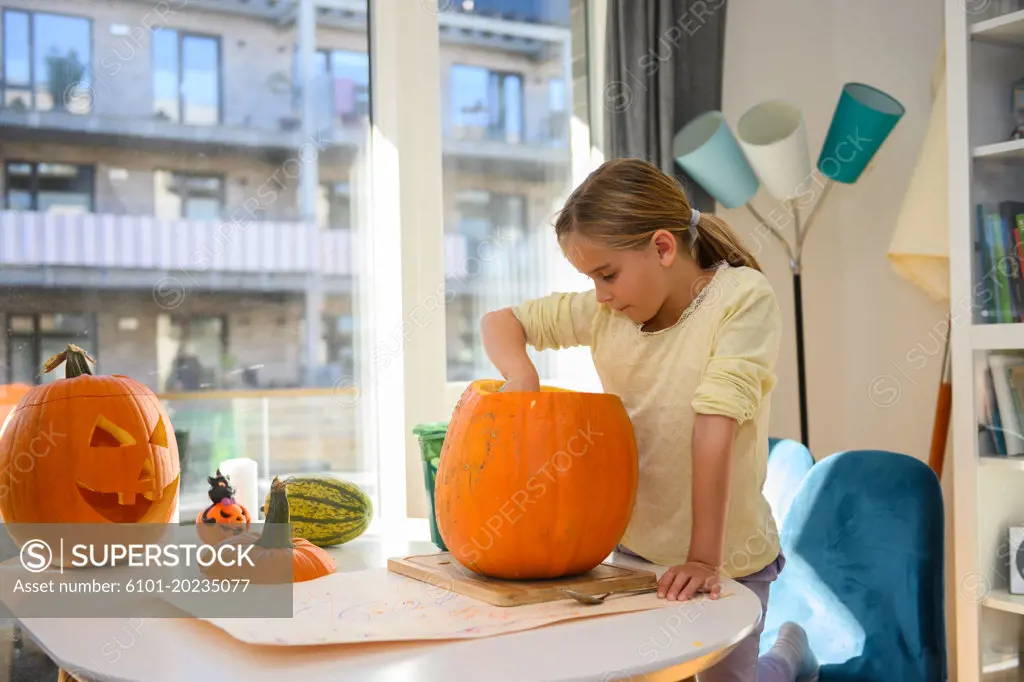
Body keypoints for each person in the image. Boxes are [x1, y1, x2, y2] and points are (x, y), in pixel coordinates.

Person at [479, 158, 819, 682]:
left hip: (727, 552)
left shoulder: (742, 299)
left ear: (662, 248)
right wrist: (520, 372)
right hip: (637, 548)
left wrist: (703, 561)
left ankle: (791, 657)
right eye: (591, 280)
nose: (601, 293)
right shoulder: (606, 311)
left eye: (607, 274)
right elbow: (502, 321)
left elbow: (714, 425)